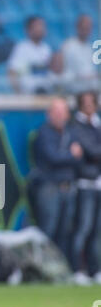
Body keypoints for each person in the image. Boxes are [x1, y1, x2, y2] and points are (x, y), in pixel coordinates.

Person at [29, 97, 83, 259]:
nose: (60, 116)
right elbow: (53, 157)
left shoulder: (70, 133)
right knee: (48, 229)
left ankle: (61, 268)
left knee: (65, 231)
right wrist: (71, 156)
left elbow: (81, 156)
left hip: (68, 188)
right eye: (56, 112)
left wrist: (70, 157)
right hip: (49, 188)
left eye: (62, 112)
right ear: (49, 114)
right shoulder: (44, 133)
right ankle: (43, 266)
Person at [70, 92, 101, 285]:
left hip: (98, 183)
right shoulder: (76, 126)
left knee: (97, 231)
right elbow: (90, 151)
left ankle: (94, 269)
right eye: (86, 103)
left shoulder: (96, 124)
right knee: (83, 228)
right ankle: (77, 269)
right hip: (85, 183)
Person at [7, 16, 52, 94]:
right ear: (29, 30)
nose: (41, 29)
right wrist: (18, 93)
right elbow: (12, 72)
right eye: (38, 26)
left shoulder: (47, 49)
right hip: (27, 95)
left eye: (42, 26)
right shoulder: (22, 48)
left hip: (45, 93)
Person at [61, 15, 98, 94]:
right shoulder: (68, 46)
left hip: (90, 91)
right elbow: (65, 72)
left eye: (89, 28)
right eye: (84, 27)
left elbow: (90, 71)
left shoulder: (89, 47)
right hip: (73, 90)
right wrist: (83, 77)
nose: (86, 30)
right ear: (78, 27)